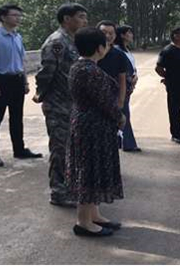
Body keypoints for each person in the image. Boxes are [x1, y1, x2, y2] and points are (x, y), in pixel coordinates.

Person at [66, 27, 126, 237]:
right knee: (89, 170)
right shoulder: (89, 71)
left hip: (88, 124)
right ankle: (83, 222)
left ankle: (94, 214)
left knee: (93, 168)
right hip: (92, 127)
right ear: (99, 48)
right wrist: (120, 118)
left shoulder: (80, 66)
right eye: (106, 44)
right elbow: (105, 102)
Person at [33, 3, 88, 207]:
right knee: (59, 148)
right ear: (67, 18)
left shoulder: (73, 41)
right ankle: (58, 191)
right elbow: (46, 72)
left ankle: (70, 186)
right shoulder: (57, 42)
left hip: (72, 103)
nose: (85, 21)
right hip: (58, 104)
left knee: (71, 148)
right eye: (81, 17)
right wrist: (41, 94)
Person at [0, 4, 42, 167]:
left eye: (19, 15)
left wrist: (25, 81)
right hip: (1, 80)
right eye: (14, 15)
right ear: (3, 17)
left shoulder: (17, 36)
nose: (18, 18)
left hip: (17, 80)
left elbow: (21, 61)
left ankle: (19, 149)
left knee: (17, 117)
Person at [114, 25, 141, 152]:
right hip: (122, 87)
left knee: (124, 113)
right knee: (124, 114)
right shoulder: (118, 51)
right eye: (129, 33)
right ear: (122, 35)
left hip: (128, 86)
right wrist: (130, 79)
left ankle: (123, 141)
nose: (131, 35)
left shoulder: (126, 50)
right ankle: (128, 143)